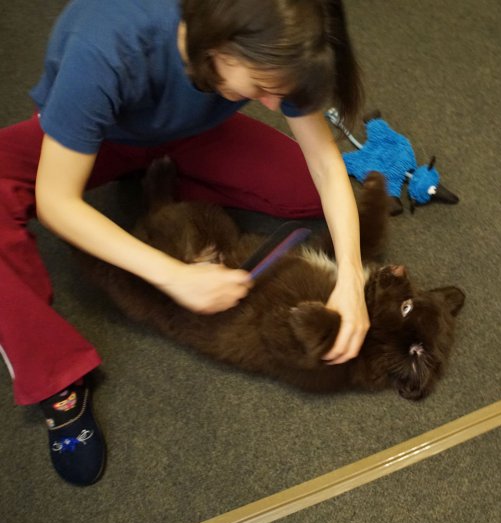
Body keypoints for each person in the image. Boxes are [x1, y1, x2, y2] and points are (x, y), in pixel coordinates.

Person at [0, 0, 369, 486]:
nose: (276, 105)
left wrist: (351, 280)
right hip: (97, 135)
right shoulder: (105, 47)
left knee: (308, 193)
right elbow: (56, 201)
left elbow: (324, 163)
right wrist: (171, 274)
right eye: (261, 88)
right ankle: (58, 384)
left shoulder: (278, 33)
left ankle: (159, 185)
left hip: (191, 128)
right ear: (220, 43)